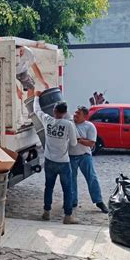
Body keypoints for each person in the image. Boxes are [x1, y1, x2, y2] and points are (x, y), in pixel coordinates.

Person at [34, 92, 78, 224]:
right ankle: (68, 216)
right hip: (63, 162)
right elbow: (74, 143)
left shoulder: (47, 120)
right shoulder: (68, 125)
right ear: (64, 113)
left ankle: (46, 212)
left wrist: (36, 97)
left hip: (49, 160)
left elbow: (36, 110)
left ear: (54, 111)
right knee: (67, 189)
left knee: (49, 187)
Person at [69, 106, 109, 213]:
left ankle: (99, 201)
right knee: (71, 179)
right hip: (71, 156)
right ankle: (72, 201)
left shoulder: (90, 127)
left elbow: (91, 143)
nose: (75, 115)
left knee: (92, 178)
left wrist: (78, 140)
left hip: (84, 155)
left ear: (85, 116)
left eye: (78, 113)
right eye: (75, 112)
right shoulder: (69, 123)